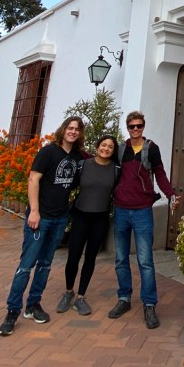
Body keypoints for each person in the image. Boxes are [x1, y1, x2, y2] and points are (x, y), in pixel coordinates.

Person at [0, 116, 85, 337]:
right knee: (27, 264)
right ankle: (12, 311)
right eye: (70, 128)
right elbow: (33, 179)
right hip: (41, 217)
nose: (73, 132)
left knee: (45, 264)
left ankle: (33, 305)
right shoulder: (48, 152)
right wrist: (34, 211)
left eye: (77, 129)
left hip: (59, 218)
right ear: (63, 129)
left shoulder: (76, 157)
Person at [107, 110, 175, 329]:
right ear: (127, 128)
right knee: (120, 258)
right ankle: (124, 298)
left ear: (143, 126)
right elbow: (107, 170)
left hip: (142, 211)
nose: (135, 130)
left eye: (139, 126)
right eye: (132, 126)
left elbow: (160, 173)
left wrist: (170, 193)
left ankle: (149, 304)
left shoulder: (151, 148)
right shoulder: (121, 149)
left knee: (145, 260)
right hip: (121, 210)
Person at [56, 133, 118, 316]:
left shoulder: (116, 170)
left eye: (110, 147)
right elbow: (69, 186)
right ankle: (68, 291)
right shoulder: (84, 165)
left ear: (113, 151)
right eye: (103, 145)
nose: (106, 149)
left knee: (90, 258)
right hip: (80, 215)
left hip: (100, 219)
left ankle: (81, 297)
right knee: (73, 256)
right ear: (97, 146)